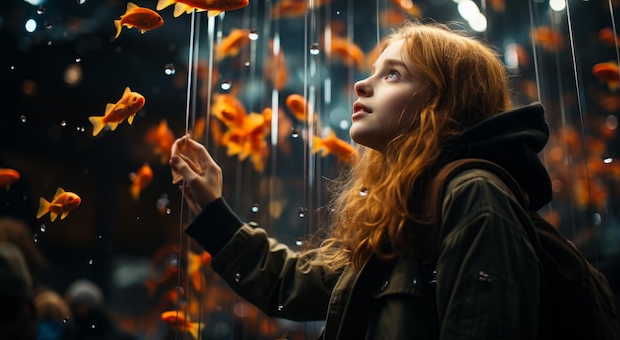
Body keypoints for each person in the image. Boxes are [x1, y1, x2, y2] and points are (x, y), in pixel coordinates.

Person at [169, 20, 550, 339]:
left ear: (441, 104)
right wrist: (213, 212)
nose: (362, 85)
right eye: (373, 71)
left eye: (393, 75)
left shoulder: (473, 193)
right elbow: (294, 288)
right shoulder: (408, 208)